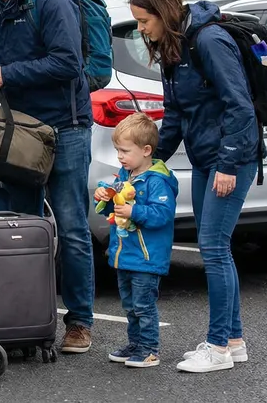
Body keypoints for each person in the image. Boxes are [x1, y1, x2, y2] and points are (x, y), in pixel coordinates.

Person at [0, 0, 95, 355]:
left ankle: (79, 323)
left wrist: (9, 74)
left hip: (66, 127)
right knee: (22, 229)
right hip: (17, 130)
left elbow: (68, 63)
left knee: (72, 228)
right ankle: (25, 319)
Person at [126, 0, 261, 374]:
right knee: (216, 249)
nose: (140, 29)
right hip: (207, 159)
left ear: (164, 13)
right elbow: (176, 115)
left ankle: (218, 348)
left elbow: (240, 106)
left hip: (227, 160)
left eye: (143, 20)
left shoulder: (208, 42)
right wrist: (149, 164)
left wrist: (228, 163)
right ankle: (233, 342)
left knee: (215, 249)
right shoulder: (175, 48)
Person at [94, 112, 178, 368]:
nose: (120, 156)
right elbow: (115, 208)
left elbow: (163, 214)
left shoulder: (158, 181)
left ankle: (149, 348)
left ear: (146, 150)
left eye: (124, 151)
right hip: (126, 253)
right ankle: (135, 344)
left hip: (147, 256)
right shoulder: (125, 175)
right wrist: (104, 197)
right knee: (130, 305)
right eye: (118, 150)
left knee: (143, 305)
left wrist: (135, 211)